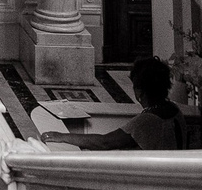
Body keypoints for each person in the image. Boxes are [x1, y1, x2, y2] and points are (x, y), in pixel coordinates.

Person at [52, 55, 186, 152]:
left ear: (139, 91)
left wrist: (62, 136)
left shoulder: (147, 120)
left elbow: (104, 143)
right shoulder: (174, 109)